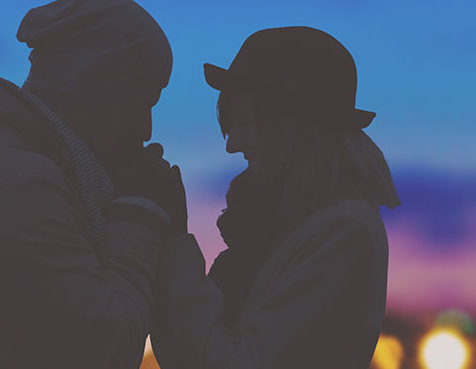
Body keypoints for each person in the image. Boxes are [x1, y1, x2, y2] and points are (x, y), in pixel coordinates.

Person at [0, 0, 186, 369]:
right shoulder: (24, 187)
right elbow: (108, 351)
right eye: (142, 102)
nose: (146, 128)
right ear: (94, 84)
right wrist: (140, 216)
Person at [151, 26, 400, 369]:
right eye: (230, 126)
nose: (232, 144)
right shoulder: (277, 228)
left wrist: (174, 242)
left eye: (245, 123)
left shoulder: (344, 231)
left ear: (291, 127)